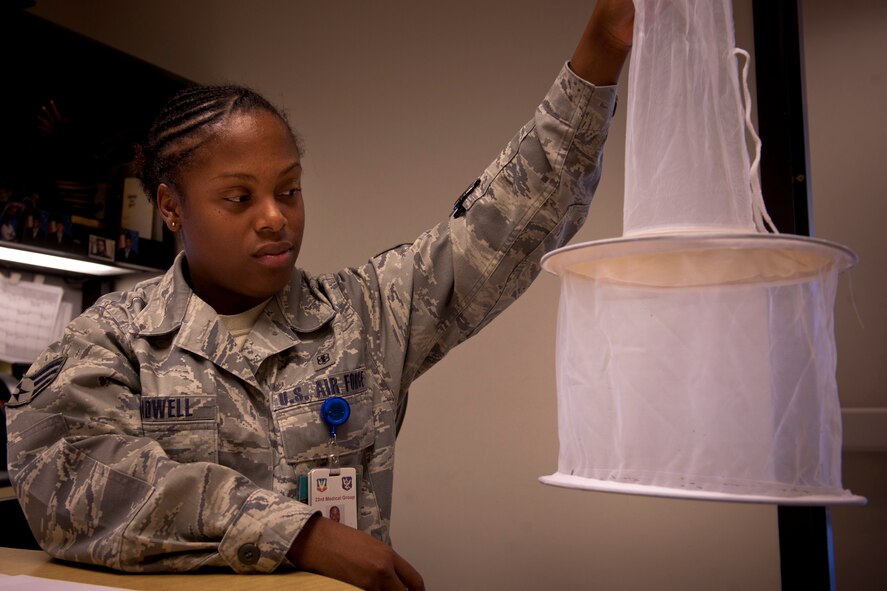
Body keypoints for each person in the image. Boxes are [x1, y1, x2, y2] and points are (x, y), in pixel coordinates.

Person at [4, 2, 633, 590]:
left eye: (290, 190)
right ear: (170, 206)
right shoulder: (113, 337)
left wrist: (601, 50)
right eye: (239, 197)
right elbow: (69, 481)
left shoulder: (365, 315)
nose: (275, 218)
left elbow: (506, 223)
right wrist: (300, 535)